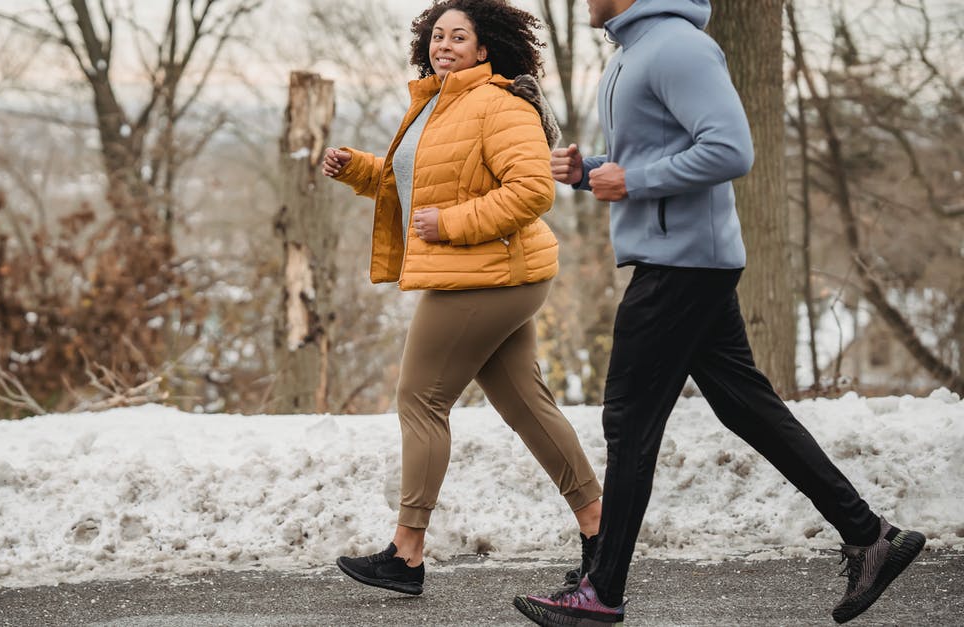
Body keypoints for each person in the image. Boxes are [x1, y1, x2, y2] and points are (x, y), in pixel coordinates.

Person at [512, 0, 926, 625]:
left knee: (628, 420)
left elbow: (731, 150)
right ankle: (872, 537)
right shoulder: (632, 52)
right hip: (679, 258)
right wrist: (590, 171)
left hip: (682, 264)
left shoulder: (678, 46)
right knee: (745, 406)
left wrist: (633, 181)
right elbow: (652, 159)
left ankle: (601, 592)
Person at [322, 0, 604, 597]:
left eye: (459, 36)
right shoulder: (435, 102)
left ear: (485, 48)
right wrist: (357, 169)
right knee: (525, 404)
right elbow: (416, 184)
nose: (443, 44)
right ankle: (599, 529)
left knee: (420, 398)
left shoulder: (500, 104)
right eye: (436, 34)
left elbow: (531, 192)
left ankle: (406, 554)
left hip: (489, 274)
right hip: (492, 273)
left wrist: (448, 225)